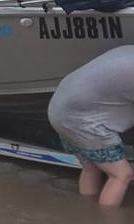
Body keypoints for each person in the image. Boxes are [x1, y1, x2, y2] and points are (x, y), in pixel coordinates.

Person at [48, 45, 134, 207]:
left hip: (59, 111)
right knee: (122, 175)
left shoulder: (127, 51)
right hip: (83, 122)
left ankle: (88, 213)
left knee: (92, 169)